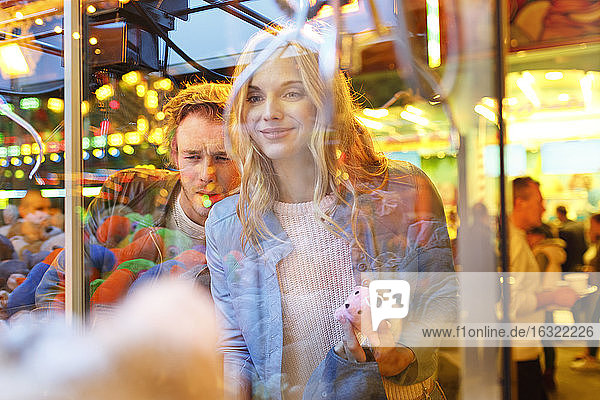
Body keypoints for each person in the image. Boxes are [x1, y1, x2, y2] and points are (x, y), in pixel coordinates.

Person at [206, 25, 457, 400]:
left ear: (326, 102)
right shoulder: (229, 222)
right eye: (254, 97)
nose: (269, 113)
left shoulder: (402, 192)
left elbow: (443, 299)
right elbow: (235, 348)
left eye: (291, 93)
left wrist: (403, 354)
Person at [23, 82, 240, 313]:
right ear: (175, 153)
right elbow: (66, 275)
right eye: (193, 157)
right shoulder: (124, 192)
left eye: (223, 158)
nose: (207, 174)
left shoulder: (261, 223)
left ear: (247, 156)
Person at [509, 177, 578, 400]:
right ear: (520, 202)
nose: (544, 207)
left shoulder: (519, 240)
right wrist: (552, 297)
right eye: (539, 201)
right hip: (518, 353)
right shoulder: (513, 243)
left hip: (527, 349)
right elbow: (511, 302)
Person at [526, 223, 566, 391]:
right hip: (549, 301)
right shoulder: (554, 251)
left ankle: (546, 376)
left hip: (542, 301)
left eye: (530, 235)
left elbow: (535, 280)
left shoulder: (541, 253)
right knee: (548, 340)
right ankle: (550, 373)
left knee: (543, 340)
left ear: (538, 237)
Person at [570, 212, 600, 371]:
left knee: (595, 321)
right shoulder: (596, 243)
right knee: (594, 320)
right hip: (595, 289)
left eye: (592, 225)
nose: (589, 229)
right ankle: (590, 353)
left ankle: (591, 357)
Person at [556, 205, 587, 272]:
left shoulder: (563, 230)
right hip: (581, 262)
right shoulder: (579, 225)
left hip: (569, 266)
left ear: (558, 214)